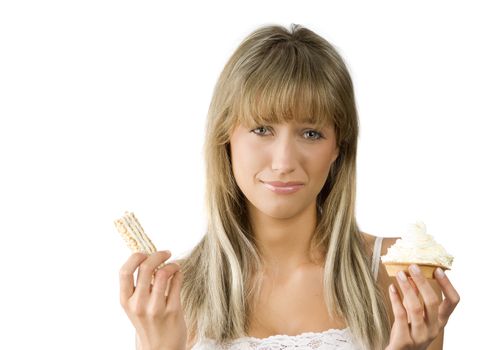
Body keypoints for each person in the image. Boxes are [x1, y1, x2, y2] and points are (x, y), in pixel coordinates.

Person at [119, 23, 460, 350]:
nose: (284, 162)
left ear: (338, 146)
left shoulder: (396, 273)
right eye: (262, 129)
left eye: (311, 133)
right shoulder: (173, 296)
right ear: (226, 137)